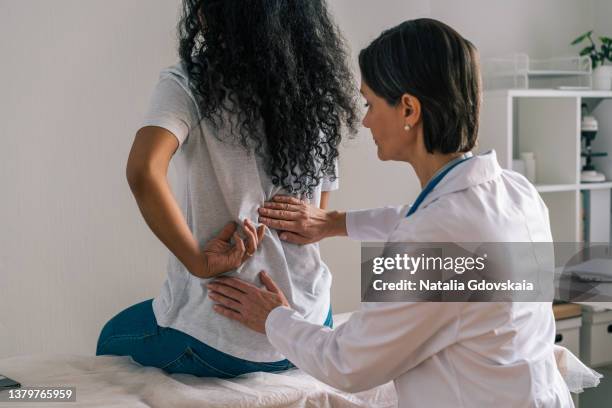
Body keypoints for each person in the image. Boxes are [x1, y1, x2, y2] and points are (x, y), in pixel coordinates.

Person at [206, 18, 577, 406]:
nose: (364, 120)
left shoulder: (434, 235)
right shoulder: (517, 192)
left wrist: (273, 317)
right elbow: (423, 220)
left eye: (369, 103)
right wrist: (334, 223)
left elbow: (347, 363)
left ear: (409, 109)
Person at [96, 0, 359, 378]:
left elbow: (143, 171)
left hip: (224, 341)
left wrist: (197, 262)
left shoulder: (190, 83)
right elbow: (318, 209)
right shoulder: (316, 88)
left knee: (110, 338)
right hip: (312, 323)